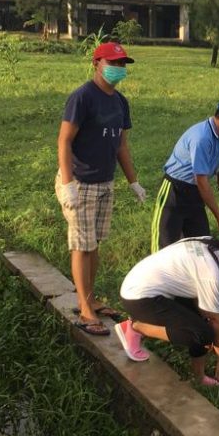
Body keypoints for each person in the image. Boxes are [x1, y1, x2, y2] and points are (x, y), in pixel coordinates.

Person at [56, 42, 148, 336]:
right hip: (80, 183)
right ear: (97, 63)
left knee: (94, 244)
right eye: (113, 63)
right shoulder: (83, 97)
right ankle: (84, 308)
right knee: (82, 246)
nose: (118, 69)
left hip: (105, 181)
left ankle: (91, 298)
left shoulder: (120, 102)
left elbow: (122, 145)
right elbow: (64, 141)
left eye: (122, 64)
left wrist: (133, 181)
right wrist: (68, 183)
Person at [116, 224, 219, 386]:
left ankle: (198, 377)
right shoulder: (213, 273)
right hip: (140, 299)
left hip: (143, 287)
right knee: (202, 334)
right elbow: (216, 321)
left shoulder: (210, 244)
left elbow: (203, 303)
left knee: (203, 326)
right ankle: (137, 327)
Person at [152, 95, 219, 252]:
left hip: (196, 194)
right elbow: (202, 181)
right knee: (164, 248)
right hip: (174, 191)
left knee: (202, 246)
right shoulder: (202, 138)